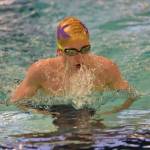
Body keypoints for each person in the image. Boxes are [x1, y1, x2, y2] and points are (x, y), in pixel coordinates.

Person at [10, 16, 138, 114]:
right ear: (59, 52)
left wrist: (112, 112)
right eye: (71, 52)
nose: (80, 57)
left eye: (85, 49)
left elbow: (132, 96)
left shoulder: (106, 68)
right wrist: (43, 114)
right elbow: (17, 101)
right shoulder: (41, 71)